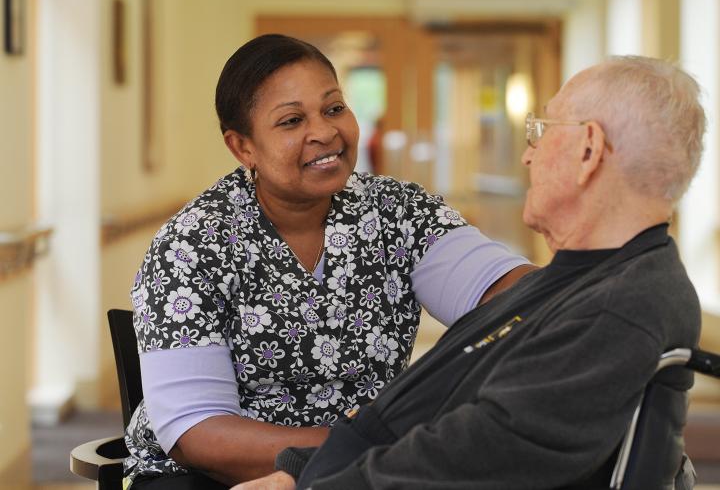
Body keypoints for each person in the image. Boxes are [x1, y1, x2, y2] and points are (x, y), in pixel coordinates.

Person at [233, 55, 706, 490]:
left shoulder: (622, 305)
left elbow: (486, 451)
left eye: (540, 131)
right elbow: (426, 407)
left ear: (588, 151)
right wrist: (295, 472)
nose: (527, 155)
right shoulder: (572, 281)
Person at [123, 34, 532, 489]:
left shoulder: (398, 213)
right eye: (292, 120)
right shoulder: (193, 245)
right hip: (208, 476)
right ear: (243, 147)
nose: (324, 132)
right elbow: (198, 434)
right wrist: (361, 448)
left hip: (362, 470)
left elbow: (510, 294)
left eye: (334, 108)